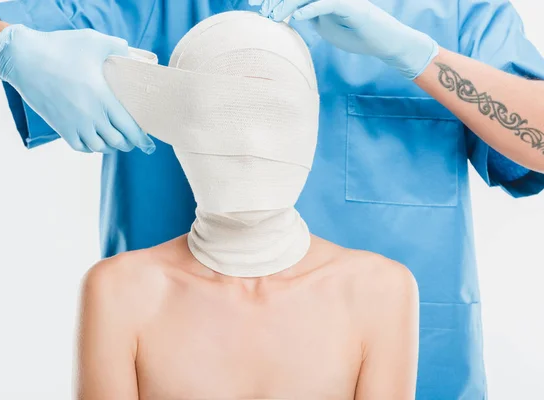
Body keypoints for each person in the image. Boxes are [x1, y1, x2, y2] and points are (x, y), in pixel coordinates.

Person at [0, 0, 543, 398]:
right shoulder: (149, 6)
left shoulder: (453, 10)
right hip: (174, 360)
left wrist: (422, 59)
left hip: (419, 370)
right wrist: (6, 47)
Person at [76, 13, 419, 400]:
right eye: (223, 113)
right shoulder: (120, 291)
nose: (251, 144)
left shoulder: (379, 291)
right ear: (180, 126)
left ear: (311, 124)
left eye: (273, 113)